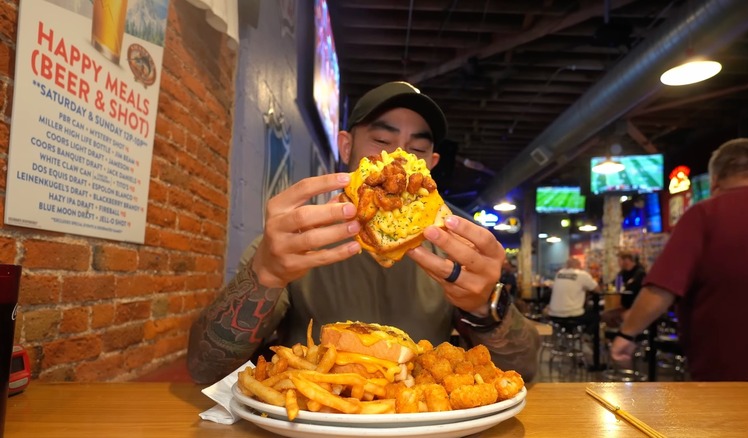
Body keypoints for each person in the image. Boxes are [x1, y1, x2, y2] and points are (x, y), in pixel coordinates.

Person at [187, 81, 541, 384]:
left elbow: (525, 371)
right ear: (346, 147)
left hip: (420, 423)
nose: (399, 160)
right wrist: (265, 275)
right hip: (314, 423)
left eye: (417, 149)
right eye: (382, 140)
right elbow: (204, 368)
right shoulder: (294, 242)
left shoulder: (455, 251)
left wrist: (485, 307)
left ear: (430, 166)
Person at [611, 138, 748, 389]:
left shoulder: (706, 214)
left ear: (715, 180)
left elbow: (662, 287)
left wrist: (627, 335)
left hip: (732, 377)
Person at [547, 258, 600, 366]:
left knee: (579, 315)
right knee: (596, 316)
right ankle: (584, 339)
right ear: (579, 265)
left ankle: (573, 341)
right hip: (572, 314)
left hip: (554, 314)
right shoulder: (582, 275)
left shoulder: (559, 273)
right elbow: (597, 289)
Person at [601, 250, 645, 327]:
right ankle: (618, 335)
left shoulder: (639, 272)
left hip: (637, 306)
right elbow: (613, 283)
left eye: (619, 260)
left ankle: (626, 335)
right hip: (626, 306)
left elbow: (632, 287)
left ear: (627, 260)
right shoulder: (622, 272)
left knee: (613, 316)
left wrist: (623, 286)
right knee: (605, 315)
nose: (618, 263)